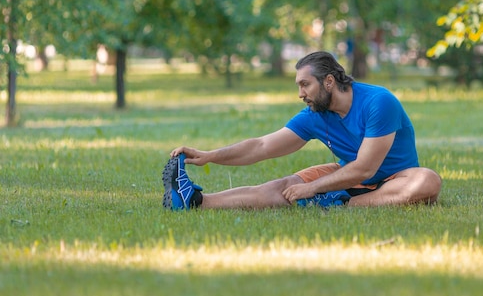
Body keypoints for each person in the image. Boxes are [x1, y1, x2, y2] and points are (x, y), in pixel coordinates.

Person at [163, 51, 441, 210]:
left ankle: (340, 204)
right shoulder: (315, 115)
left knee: (428, 181)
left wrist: (312, 188)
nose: (300, 93)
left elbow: (365, 169)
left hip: (395, 180)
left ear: (329, 81)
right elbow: (262, 146)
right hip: (346, 180)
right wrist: (210, 155)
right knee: (283, 188)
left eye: (305, 84)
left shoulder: (378, 102)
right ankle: (196, 201)